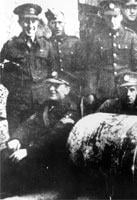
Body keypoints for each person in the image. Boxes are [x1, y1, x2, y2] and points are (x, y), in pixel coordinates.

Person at [1, 74, 79, 196]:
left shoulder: (72, 110)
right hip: (40, 151)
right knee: (5, 153)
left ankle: (9, 190)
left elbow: (54, 136)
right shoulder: (47, 106)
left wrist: (28, 151)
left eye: (57, 85)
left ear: (67, 89)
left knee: (21, 164)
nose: (51, 88)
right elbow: (30, 124)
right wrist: (17, 139)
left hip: (55, 160)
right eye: (50, 85)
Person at [84, 0, 137, 114]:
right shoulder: (98, 38)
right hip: (104, 89)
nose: (112, 21)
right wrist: (91, 91)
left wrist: (135, 87)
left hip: (126, 89)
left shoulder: (131, 36)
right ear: (104, 18)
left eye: (115, 16)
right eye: (109, 17)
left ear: (121, 16)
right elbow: (92, 68)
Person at [0, 3, 55, 133]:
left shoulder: (46, 46)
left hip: (40, 103)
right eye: (26, 21)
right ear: (20, 22)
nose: (30, 25)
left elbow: (53, 70)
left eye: (33, 21)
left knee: (38, 143)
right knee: (16, 141)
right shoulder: (11, 45)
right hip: (17, 104)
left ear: (37, 22)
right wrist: (13, 85)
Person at [45, 8, 85, 103]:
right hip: (52, 90)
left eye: (60, 22)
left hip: (73, 89)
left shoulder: (75, 43)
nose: (57, 26)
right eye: (53, 23)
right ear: (48, 25)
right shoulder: (45, 44)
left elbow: (83, 69)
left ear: (65, 23)